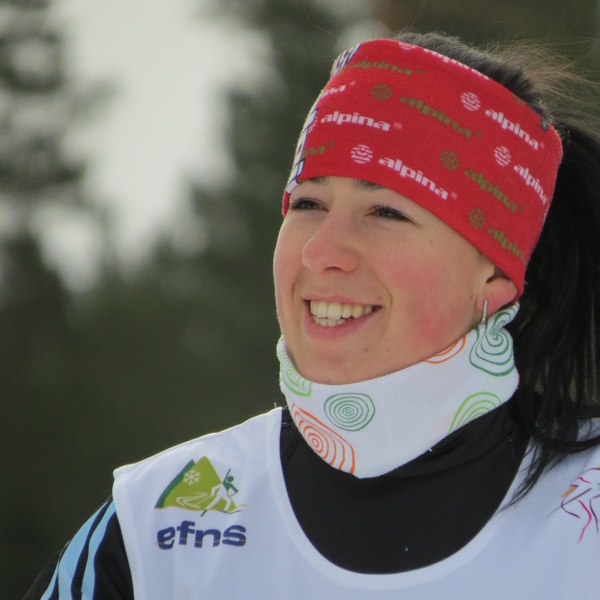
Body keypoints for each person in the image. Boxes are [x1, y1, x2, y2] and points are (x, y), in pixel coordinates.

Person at [26, 31, 600, 599]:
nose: (320, 251)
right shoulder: (156, 531)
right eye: (308, 203)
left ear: (496, 273)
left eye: (385, 211)